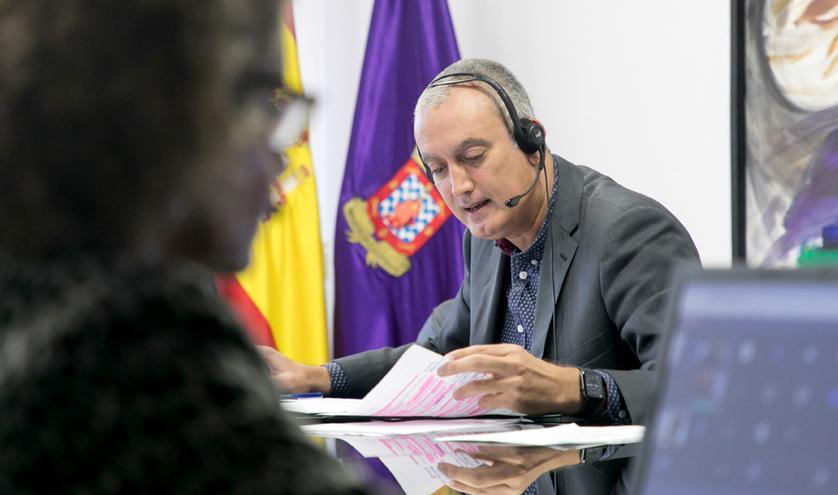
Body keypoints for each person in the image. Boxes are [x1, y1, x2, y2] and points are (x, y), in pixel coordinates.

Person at [0, 1, 366, 493]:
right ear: (162, 116)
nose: (282, 153)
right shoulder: (132, 331)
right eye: (265, 103)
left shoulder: (35, 292)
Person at [261, 58, 699, 427]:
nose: (460, 187)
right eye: (438, 169)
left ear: (533, 141)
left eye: (474, 158)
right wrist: (317, 376)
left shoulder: (628, 230)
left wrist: (573, 388)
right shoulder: (485, 241)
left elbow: (701, 387)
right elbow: (435, 360)